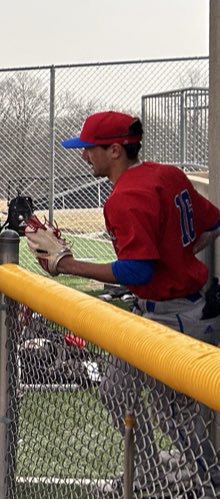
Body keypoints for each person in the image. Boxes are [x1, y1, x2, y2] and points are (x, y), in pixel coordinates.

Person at [29, 110, 220, 491]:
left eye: (90, 149)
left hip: (178, 316)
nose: (85, 156)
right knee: (116, 388)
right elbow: (213, 225)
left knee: (174, 416)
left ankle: (209, 481)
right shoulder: (167, 173)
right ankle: (149, 470)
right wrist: (181, 257)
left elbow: (137, 272)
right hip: (167, 307)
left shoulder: (127, 196)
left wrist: (68, 264)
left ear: (115, 150)